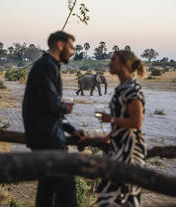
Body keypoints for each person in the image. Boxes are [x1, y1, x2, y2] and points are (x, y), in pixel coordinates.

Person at [22, 31, 84, 207]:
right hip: (48, 139)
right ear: (60, 45)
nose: (72, 52)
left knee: (47, 189)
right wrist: (66, 107)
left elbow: (48, 110)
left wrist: (71, 130)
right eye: (71, 47)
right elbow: (50, 104)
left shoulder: (48, 65)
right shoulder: (46, 65)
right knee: (67, 190)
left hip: (45, 135)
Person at [92, 50, 147, 207]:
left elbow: (136, 123)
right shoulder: (122, 87)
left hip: (129, 150)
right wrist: (108, 138)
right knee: (108, 194)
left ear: (124, 64)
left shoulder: (132, 89)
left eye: (113, 59)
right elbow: (122, 123)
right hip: (118, 146)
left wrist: (111, 119)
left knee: (125, 196)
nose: (110, 63)